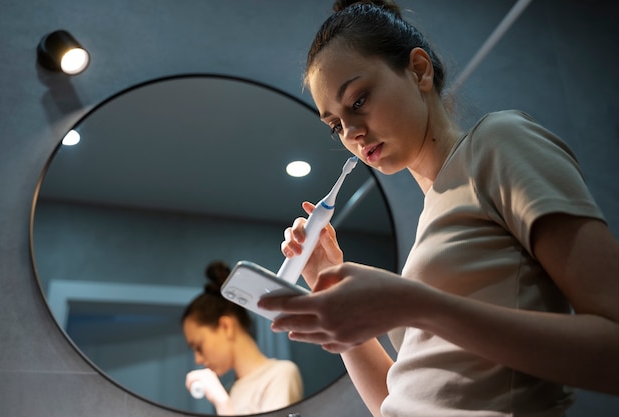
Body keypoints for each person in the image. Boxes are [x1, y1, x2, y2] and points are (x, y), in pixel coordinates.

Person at [258, 1, 619, 416]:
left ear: (419, 70)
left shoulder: (498, 143)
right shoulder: (434, 219)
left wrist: (413, 304)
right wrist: (325, 279)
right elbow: (397, 405)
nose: (353, 133)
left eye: (358, 101)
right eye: (335, 124)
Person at [181, 260, 303, 415]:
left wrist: (222, 403)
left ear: (226, 327)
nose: (197, 359)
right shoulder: (230, 390)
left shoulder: (280, 375)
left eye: (198, 346)